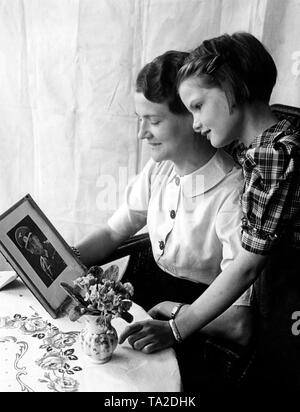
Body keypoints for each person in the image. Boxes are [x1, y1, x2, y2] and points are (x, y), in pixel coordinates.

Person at [74, 50, 256, 391]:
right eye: (140, 119)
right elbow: (115, 229)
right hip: (147, 293)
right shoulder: (160, 168)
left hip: (201, 320)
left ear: (193, 116)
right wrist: (65, 261)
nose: (142, 133)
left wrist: (174, 315)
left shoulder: (232, 194)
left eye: (154, 121)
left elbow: (240, 323)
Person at [174, 32, 300, 394]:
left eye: (198, 106)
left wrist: (178, 326)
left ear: (233, 86)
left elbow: (247, 266)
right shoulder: (265, 147)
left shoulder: (275, 156)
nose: (195, 123)